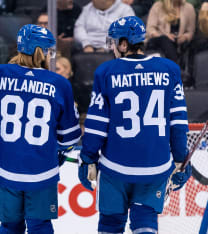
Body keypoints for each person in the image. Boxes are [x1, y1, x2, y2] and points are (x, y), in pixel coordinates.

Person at [78, 16, 192, 233]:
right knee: (146, 221)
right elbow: (178, 122)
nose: (111, 47)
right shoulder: (169, 69)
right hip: (155, 168)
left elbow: (96, 124)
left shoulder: (106, 71)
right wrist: (180, 158)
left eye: (113, 42)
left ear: (123, 44)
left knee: (111, 223)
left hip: (115, 168)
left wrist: (87, 159)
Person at [0, 24, 81, 234]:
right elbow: (70, 136)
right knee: (40, 227)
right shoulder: (58, 83)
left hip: (3, 166)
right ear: (41, 51)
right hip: (41, 170)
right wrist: (60, 151)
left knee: (10, 227)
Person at [146, 0, 195, 65]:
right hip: (158, 41)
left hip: (178, 43)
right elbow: (150, 29)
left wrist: (185, 37)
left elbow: (190, 31)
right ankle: (176, 68)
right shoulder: (158, 6)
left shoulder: (189, 8)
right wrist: (165, 35)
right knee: (165, 40)